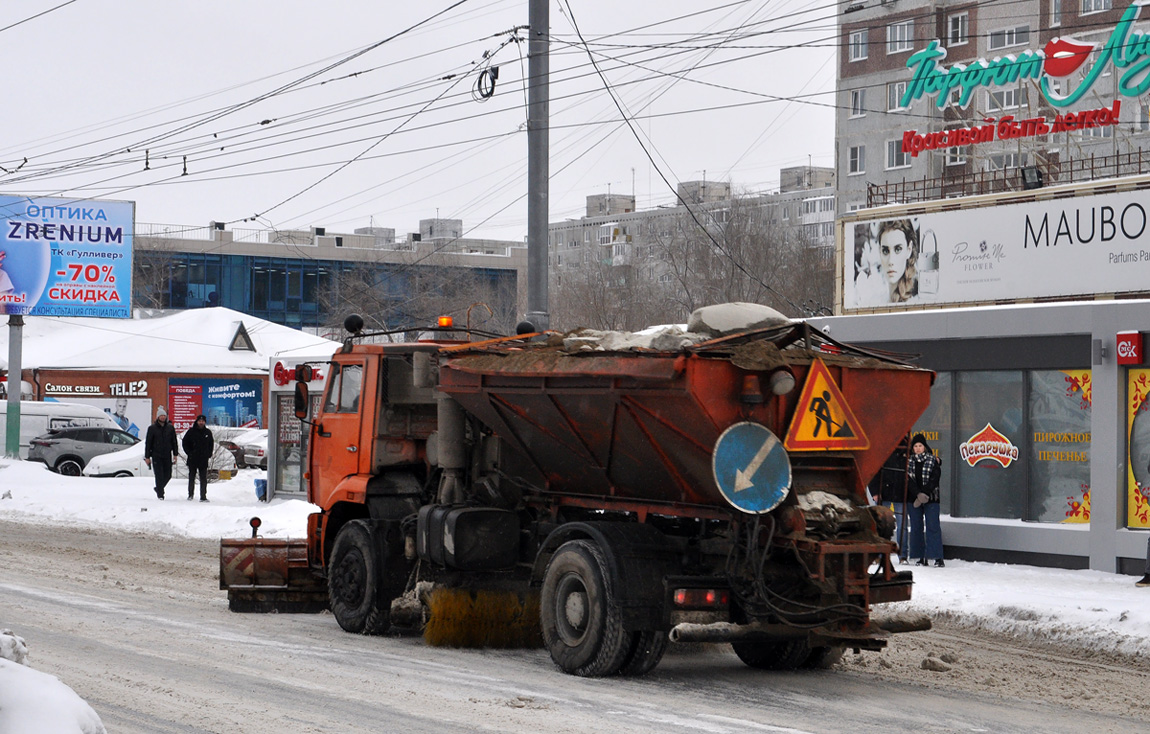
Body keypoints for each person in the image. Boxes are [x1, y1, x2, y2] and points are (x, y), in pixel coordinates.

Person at [869, 438, 912, 562]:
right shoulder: (883, 450)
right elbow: (874, 471)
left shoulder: (908, 451)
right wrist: (875, 492)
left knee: (901, 526)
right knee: (883, 525)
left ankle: (902, 555)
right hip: (885, 492)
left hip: (900, 493)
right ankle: (881, 555)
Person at [906, 433, 944, 567]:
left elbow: (935, 478)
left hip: (931, 498)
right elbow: (908, 481)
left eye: (920, 445)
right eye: (915, 446)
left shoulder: (933, 460)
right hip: (914, 499)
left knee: (933, 526)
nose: (917, 448)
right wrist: (918, 494)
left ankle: (936, 557)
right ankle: (919, 556)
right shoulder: (908, 462)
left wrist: (925, 493)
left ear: (925, 446)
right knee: (916, 527)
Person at [877, 219, 919, 303]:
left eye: (898, 249)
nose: (890, 261)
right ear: (879, 251)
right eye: (885, 251)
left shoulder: (917, 300)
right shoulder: (874, 299)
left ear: (909, 249)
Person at [143, 407, 178, 500]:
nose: (163, 417)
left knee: (168, 475)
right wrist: (147, 456)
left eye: (164, 416)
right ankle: (160, 494)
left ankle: (158, 488)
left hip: (167, 454)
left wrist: (175, 454)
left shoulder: (170, 428)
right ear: (158, 417)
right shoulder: (152, 428)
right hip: (156, 455)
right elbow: (148, 443)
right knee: (159, 475)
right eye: (161, 416)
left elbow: (174, 441)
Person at [182, 414, 214, 502]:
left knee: (203, 478)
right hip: (193, 458)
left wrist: (209, 454)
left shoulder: (207, 432)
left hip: (203, 459)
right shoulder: (191, 431)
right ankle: (190, 494)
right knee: (191, 477)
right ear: (197, 421)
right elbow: (185, 443)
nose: (201, 422)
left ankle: (203, 496)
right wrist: (189, 453)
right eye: (199, 421)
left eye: (203, 421)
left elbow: (211, 444)